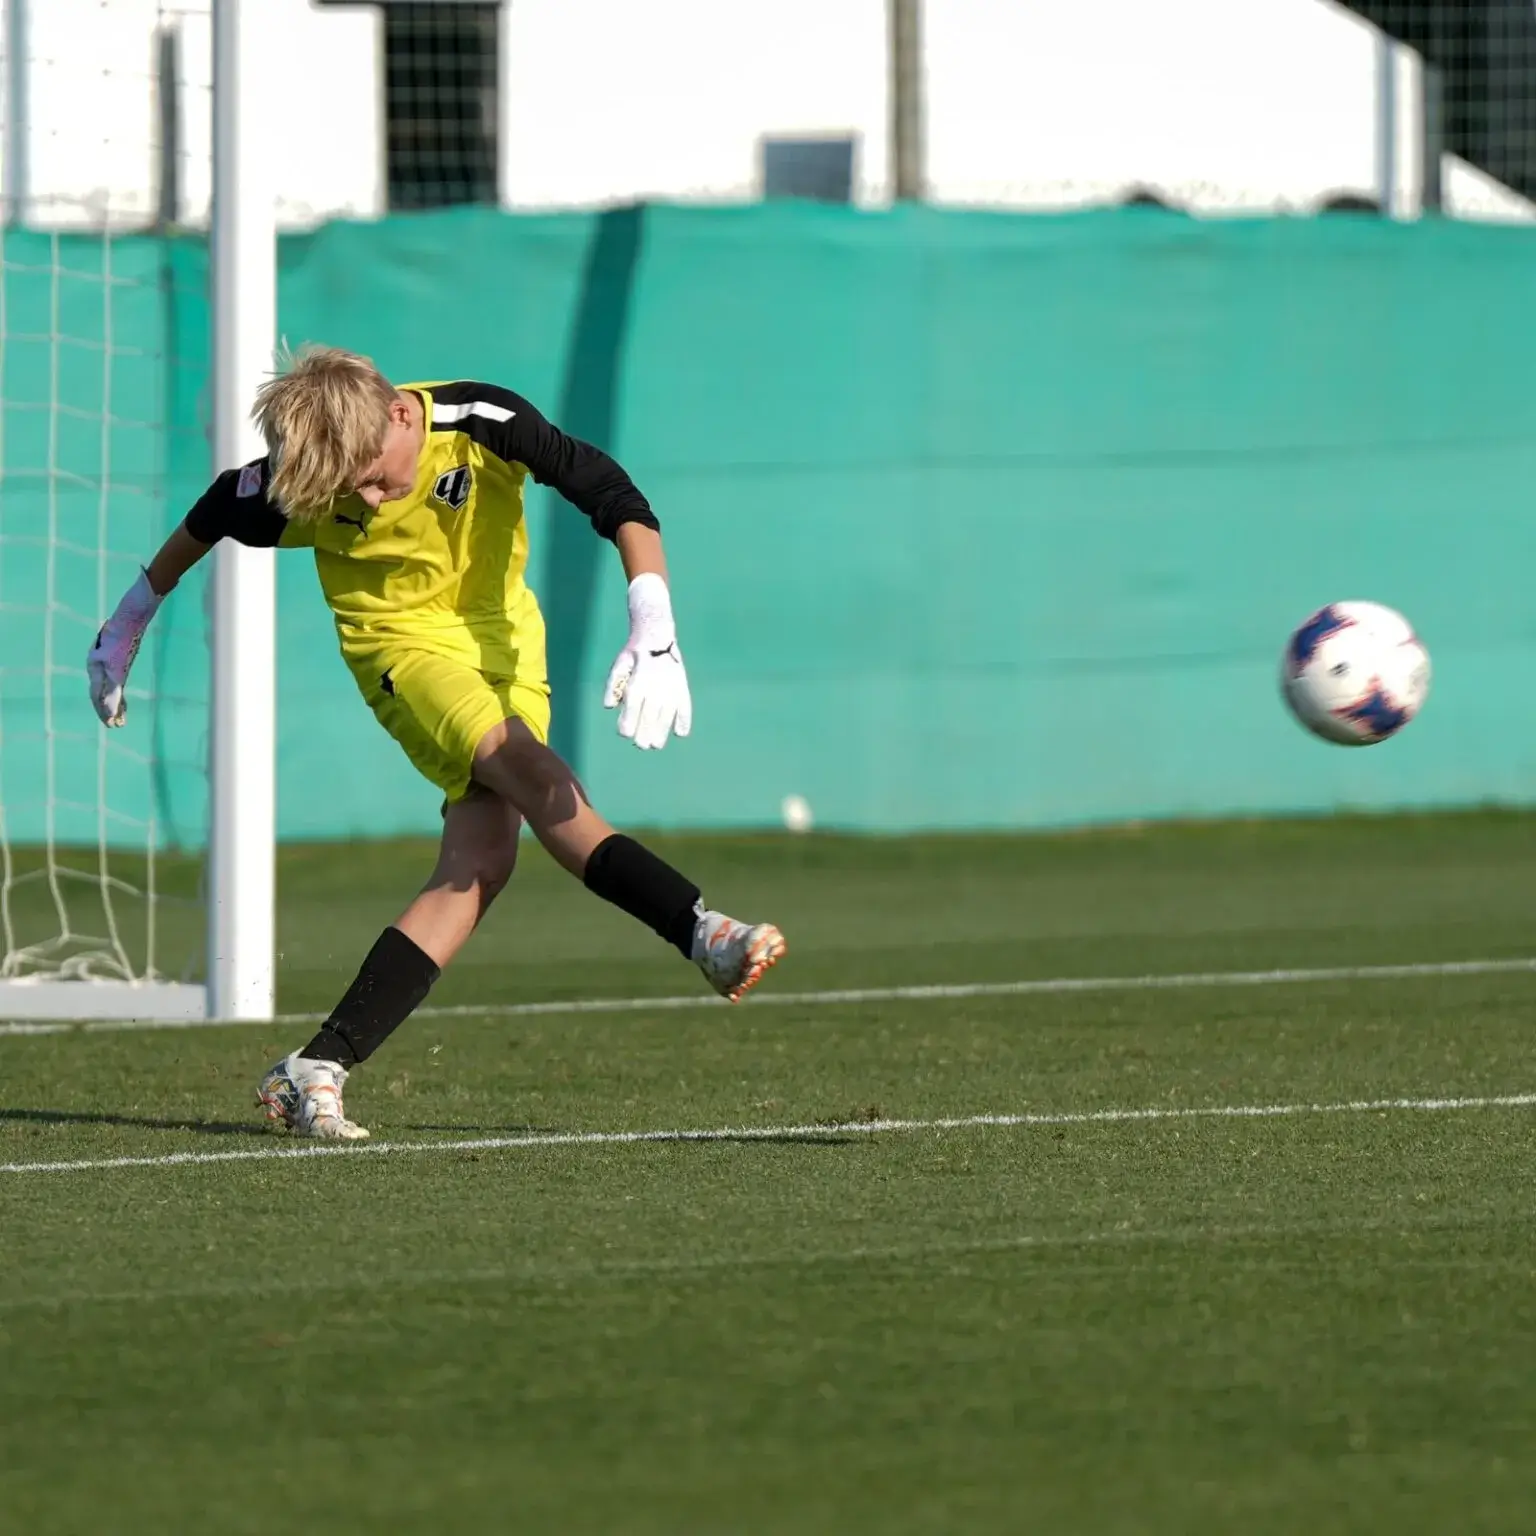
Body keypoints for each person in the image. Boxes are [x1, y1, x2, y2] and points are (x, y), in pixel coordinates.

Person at [86, 346, 786, 1141]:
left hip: (507, 647)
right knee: (531, 774)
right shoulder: (309, 483)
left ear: (396, 412)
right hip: (401, 651)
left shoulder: (483, 422)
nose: (373, 500)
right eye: (353, 491)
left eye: (378, 475)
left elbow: (610, 492)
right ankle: (700, 930)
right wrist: (126, 623)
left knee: (482, 864)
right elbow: (211, 514)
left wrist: (653, 620)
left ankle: (316, 1066)